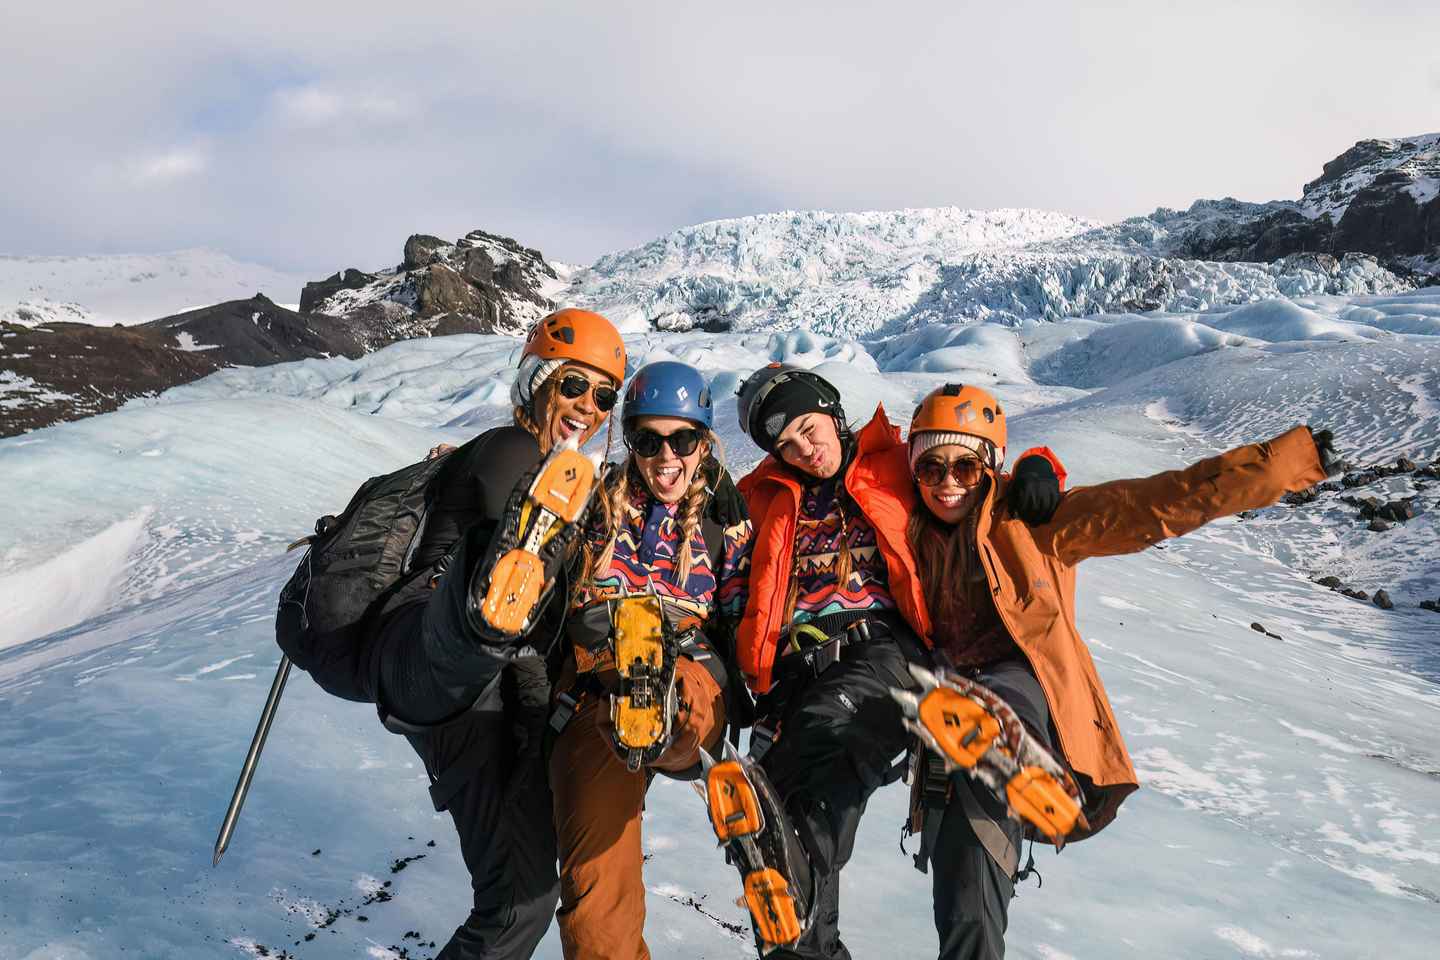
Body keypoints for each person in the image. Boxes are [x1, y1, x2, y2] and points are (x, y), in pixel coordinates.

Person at [895, 382, 1338, 960]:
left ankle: (1017, 752)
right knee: (965, 881)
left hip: (1014, 692)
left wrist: (1285, 463)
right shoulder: (899, 525)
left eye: (966, 466)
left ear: (991, 466)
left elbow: (1153, 505)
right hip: (938, 710)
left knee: (992, 756)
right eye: (931, 466)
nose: (947, 481)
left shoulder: (1033, 521)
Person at [702, 364, 1062, 960]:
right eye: (785, 444)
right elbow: (712, 565)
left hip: (879, 651)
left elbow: (972, 466)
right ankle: (800, 933)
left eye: (808, 429)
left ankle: (793, 883)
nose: (804, 450)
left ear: (832, 411)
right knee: (778, 814)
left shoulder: (891, 461)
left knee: (828, 745)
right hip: (791, 674)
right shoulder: (757, 495)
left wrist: (1038, 466)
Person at [362, 308, 626, 960]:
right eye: (573, 385)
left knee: (521, 900)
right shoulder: (511, 451)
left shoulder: (523, 459)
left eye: (604, 397)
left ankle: (497, 607)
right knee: (516, 902)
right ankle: (491, 604)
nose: (588, 406)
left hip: (488, 698)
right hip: (436, 656)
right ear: (537, 382)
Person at [546, 360, 752, 960]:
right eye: (648, 440)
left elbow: (745, 619)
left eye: (682, 440)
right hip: (599, 693)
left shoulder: (723, 520)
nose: (666, 457)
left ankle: (656, 693)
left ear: (703, 441)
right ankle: (639, 688)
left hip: (692, 670)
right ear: (629, 441)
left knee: (684, 699)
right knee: (595, 907)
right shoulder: (594, 505)